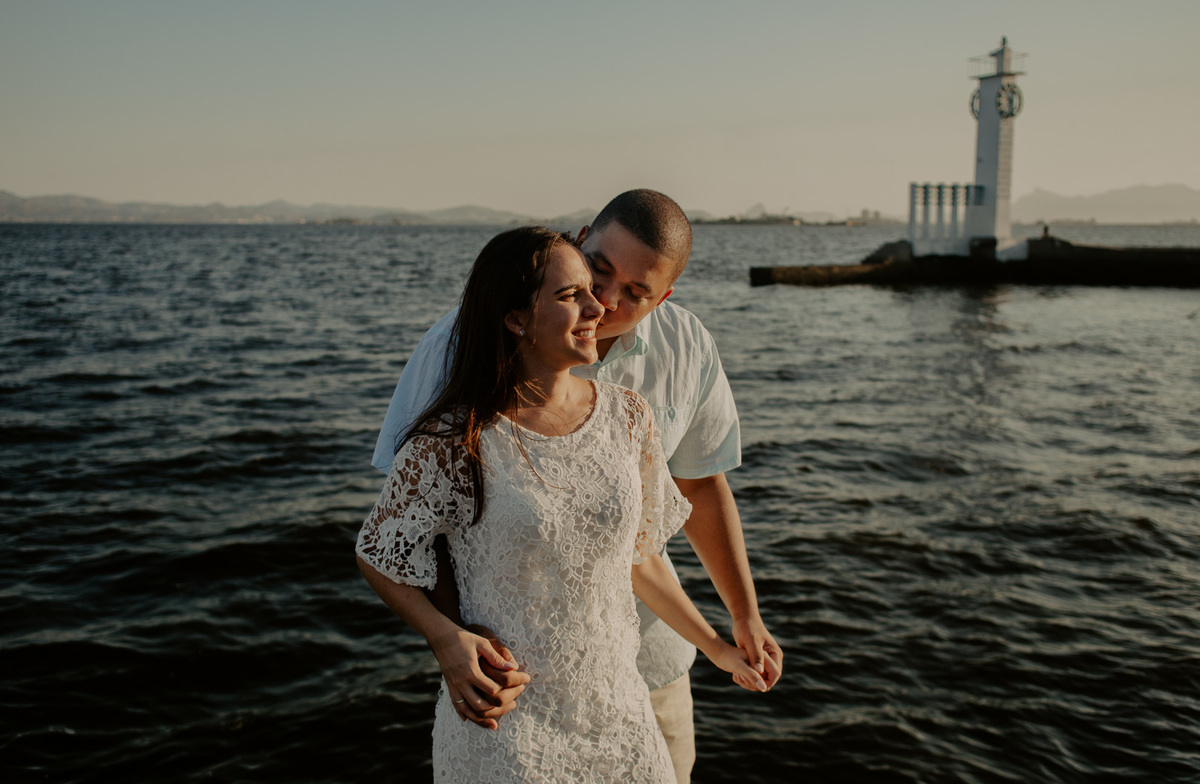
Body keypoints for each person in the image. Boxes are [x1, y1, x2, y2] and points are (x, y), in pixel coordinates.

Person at [373, 190, 782, 784]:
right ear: (580, 238)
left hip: (644, 675)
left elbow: (697, 487)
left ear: (662, 299)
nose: (605, 301)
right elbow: (409, 524)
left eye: (636, 293)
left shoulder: (674, 358)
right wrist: (455, 637)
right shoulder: (456, 351)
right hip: (511, 693)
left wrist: (740, 621)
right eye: (598, 270)